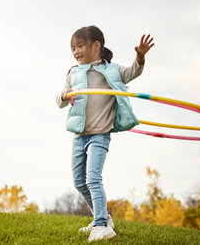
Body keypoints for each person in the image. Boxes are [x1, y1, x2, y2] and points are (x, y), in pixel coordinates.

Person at [56, 25, 154, 242]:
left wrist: (140, 57)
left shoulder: (111, 70)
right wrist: (64, 96)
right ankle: (102, 217)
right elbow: (59, 100)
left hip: (100, 134)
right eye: (73, 48)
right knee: (79, 181)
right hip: (79, 135)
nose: (76, 51)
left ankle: (101, 225)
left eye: (80, 46)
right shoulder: (74, 73)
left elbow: (132, 72)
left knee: (93, 178)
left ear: (96, 45)